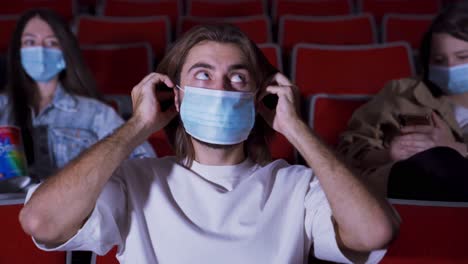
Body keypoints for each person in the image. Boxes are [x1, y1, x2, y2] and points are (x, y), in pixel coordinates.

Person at [19, 24, 398, 264]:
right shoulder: (134, 181)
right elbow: (42, 222)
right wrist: (137, 125)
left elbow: (373, 233)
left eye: (237, 78)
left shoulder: (297, 185)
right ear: (176, 97)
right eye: (203, 75)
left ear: (260, 96)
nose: (219, 88)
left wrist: (296, 128)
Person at [0, 8, 155, 185]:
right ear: (18, 53)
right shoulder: (3, 107)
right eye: (30, 42)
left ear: (64, 52)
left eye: (51, 43)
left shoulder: (96, 113)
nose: (40, 50)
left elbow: (143, 161)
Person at [337, 3, 468, 202]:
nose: (450, 67)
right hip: (407, 187)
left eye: (462, 57)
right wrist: (388, 154)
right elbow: (349, 152)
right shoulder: (401, 93)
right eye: (439, 60)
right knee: (433, 163)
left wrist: (453, 147)